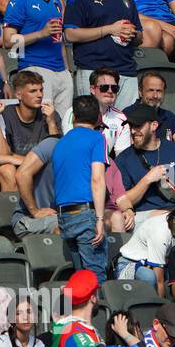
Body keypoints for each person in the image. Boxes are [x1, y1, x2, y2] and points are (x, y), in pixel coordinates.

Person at [62, 0, 140, 107]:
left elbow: (140, 36)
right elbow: (70, 34)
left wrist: (131, 33)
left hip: (126, 71)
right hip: (94, 70)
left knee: (126, 125)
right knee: (94, 123)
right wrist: (110, 29)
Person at [52, 94, 109, 280]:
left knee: (81, 279)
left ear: (74, 117)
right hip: (85, 214)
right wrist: (100, 218)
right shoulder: (97, 138)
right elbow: (98, 179)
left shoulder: (60, 143)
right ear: (97, 117)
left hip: (64, 216)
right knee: (96, 277)